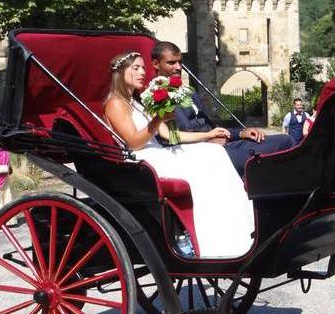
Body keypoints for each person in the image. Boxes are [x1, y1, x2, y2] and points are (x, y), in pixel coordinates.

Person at [103, 51, 253, 258]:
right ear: (121, 72)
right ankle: (209, 239)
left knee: (214, 152)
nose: (142, 73)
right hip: (143, 161)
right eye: (135, 68)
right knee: (202, 167)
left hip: (160, 152)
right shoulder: (116, 103)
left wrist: (207, 135)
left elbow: (169, 135)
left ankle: (237, 229)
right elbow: (134, 142)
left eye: (143, 68)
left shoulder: (137, 101)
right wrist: (158, 119)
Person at [151, 41, 294, 176]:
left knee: (285, 140)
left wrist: (241, 133)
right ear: (156, 64)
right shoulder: (155, 96)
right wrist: (206, 140)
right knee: (270, 155)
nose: (178, 67)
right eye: (171, 63)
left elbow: (212, 127)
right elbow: (170, 137)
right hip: (199, 154)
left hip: (220, 145)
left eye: (180, 62)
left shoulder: (189, 92)